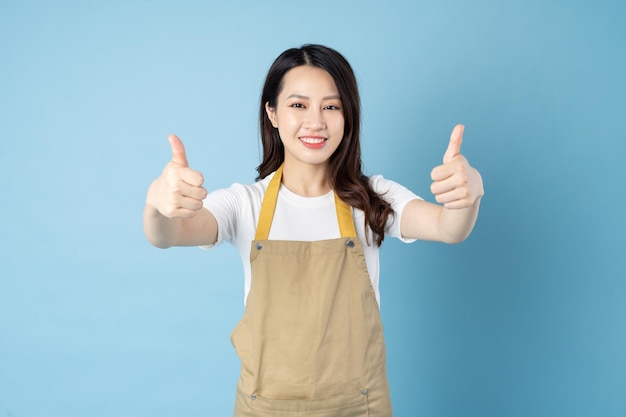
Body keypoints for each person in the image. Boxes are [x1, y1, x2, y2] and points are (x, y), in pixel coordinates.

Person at [143, 44, 484, 417]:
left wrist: (468, 196)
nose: (316, 121)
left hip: (360, 407)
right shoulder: (245, 204)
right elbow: (168, 234)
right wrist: (156, 205)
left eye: (331, 106)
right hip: (265, 408)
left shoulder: (371, 198)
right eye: (298, 105)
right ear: (272, 113)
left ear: (347, 115)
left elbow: (448, 228)